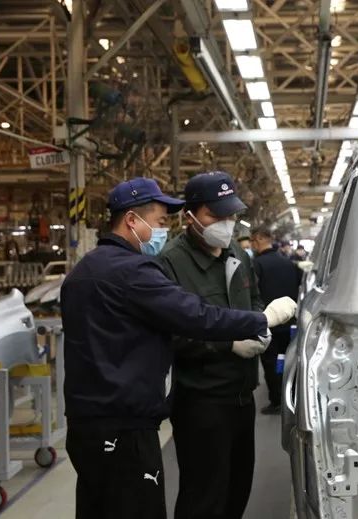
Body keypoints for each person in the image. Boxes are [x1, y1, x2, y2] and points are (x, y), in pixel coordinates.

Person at [60, 177, 297, 519]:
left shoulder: (85, 270)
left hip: (89, 420)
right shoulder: (136, 271)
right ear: (132, 220)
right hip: (127, 422)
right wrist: (261, 320)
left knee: (99, 507)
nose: (161, 230)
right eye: (158, 222)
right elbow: (195, 316)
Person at [158, 171, 263, 519]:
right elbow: (171, 333)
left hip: (242, 395)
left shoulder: (238, 254)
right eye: (215, 215)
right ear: (190, 216)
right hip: (201, 401)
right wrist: (227, 344)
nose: (226, 223)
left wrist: (260, 325)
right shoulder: (171, 262)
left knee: (237, 488)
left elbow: (254, 300)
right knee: (204, 496)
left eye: (230, 214)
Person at [250, 226, 301, 414]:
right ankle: (291, 396)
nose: (252, 245)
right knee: (287, 359)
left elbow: (253, 294)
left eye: (253, 241)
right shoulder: (289, 263)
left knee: (271, 362)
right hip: (290, 322)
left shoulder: (256, 265)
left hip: (268, 322)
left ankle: (277, 399)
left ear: (259, 239)